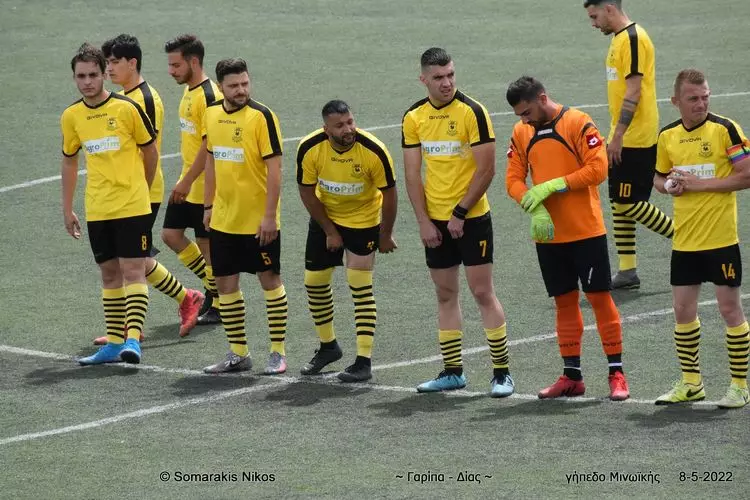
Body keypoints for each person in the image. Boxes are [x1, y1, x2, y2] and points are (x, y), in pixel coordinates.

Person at [505, 76, 630, 401]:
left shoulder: (578, 122)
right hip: (548, 236)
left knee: (599, 298)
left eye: (527, 112)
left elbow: (598, 169)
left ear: (542, 98)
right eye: (520, 115)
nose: (524, 120)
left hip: (586, 231)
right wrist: (532, 204)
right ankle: (572, 376)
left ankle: (616, 374)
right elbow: (513, 179)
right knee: (563, 302)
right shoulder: (521, 132)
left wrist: (554, 185)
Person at [402, 47, 514, 397]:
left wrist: (460, 213)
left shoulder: (473, 112)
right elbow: (412, 174)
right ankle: (453, 372)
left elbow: (486, 170)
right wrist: (424, 221)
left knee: (482, 292)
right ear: (423, 79)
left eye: (450, 74)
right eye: (438, 77)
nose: (447, 82)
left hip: (472, 219)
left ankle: (501, 373)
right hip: (436, 223)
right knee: (445, 294)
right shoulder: (413, 117)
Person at [92, 34, 203, 345]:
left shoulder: (145, 99)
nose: (109, 68)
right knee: (131, 257)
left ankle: (172, 305)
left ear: (132, 63)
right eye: (107, 62)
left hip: (142, 191)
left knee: (131, 259)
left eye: (114, 62)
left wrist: (138, 188)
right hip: (122, 192)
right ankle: (173, 304)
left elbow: (148, 150)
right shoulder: (122, 96)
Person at [653, 69, 750, 409]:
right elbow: (659, 178)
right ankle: (692, 383)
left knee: (729, 309)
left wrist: (698, 185)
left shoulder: (725, 129)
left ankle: (739, 386)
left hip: (721, 240)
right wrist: (670, 186)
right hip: (685, 242)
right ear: (675, 101)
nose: (701, 103)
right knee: (682, 311)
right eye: (693, 98)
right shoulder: (667, 136)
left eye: (705, 97)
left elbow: (746, 175)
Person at [61, 43, 157, 365]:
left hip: (132, 204)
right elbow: (69, 161)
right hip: (98, 207)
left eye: (93, 75)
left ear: (104, 74)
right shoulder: (72, 116)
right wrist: (67, 208)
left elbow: (150, 151)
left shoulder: (127, 108)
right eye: (81, 76)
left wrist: (141, 187)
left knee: (133, 271)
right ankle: (114, 344)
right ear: (74, 78)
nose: (87, 82)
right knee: (109, 275)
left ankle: (133, 340)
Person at [296, 100, 397, 382]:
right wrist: (330, 231)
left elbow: (390, 195)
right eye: (339, 126)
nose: (348, 129)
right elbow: (306, 192)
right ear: (326, 129)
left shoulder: (374, 150)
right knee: (314, 282)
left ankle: (363, 361)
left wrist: (385, 234)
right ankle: (328, 347)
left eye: (350, 122)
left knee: (359, 285)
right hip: (326, 217)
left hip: (363, 221)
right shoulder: (309, 147)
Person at [201, 57, 288, 375]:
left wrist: (270, 217)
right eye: (234, 85)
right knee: (225, 284)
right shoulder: (211, 113)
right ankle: (238, 353)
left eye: (245, 83)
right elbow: (212, 161)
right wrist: (208, 206)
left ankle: (278, 352)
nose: (241, 90)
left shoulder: (262, 117)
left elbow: (275, 170)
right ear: (220, 86)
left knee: (270, 281)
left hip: (257, 221)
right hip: (224, 219)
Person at [585, 0, 674, 289]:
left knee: (628, 202)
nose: (593, 23)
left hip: (635, 137)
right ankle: (627, 270)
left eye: (595, 16)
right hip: (624, 134)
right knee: (618, 201)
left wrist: (619, 136)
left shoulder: (633, 39)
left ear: (609, 8)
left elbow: (634, 91)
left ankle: (688, 238)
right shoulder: (619, 38)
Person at [162, 34, 222, 324]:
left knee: (206, 245)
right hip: (189, 180)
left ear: (194, 61)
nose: (171, 71)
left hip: (205, 184)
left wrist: (186, 181)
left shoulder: (209, 96)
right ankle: (213, 288)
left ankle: (219, 304)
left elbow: (209, 146)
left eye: (176, 65)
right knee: (171, 235)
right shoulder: (189, 90)